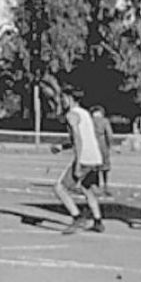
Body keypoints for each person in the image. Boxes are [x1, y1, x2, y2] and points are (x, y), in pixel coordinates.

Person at [52, 90, 106, 235]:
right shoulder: (85, 113)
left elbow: (78, 140)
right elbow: (85, 137)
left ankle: (76, 217)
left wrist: (77, 164)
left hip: (84, 158)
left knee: (59, 187)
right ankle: (98, 221)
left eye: (62, 98)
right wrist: (62, 147)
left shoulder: (71, 115)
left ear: (69, 98)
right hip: (95, 157)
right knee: (86, 188)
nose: (61, 101)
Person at [90, 105, 115, 198]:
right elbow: (109, 134)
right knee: (105, 168)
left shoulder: (90, 121)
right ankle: (105, 187)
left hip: (93, 145)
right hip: (102, 145)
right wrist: (110, 145)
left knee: (94, 167)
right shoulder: (104, 121)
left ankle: (96, 187)